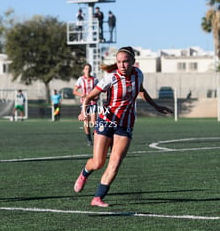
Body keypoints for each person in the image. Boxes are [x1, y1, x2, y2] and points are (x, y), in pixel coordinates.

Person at [73, 46, 173, 207]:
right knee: (98, 163)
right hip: (106, 121)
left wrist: (156, 106)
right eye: (119, 62)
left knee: (115, 161)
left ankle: (97, 198)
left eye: (125, 61)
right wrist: (84, 112)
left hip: (125, 124)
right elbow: (89, 96)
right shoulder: (110, 78)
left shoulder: (138, 75)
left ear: (133, 62)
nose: (122, 65)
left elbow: (141, 91)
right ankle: (85, 172)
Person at [73, 63, 99, 146]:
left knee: (94, 122)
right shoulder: (80, 79)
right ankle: (89, 140)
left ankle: (97, 138)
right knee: (86, 122)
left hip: (93, 103)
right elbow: (75, 91)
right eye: (86, 68)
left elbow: (98, 90)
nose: (88, 70)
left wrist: (96, 97)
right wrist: (82, 95)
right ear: (83, 70)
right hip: (84, 104)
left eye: (89, 68)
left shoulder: (95, 80)